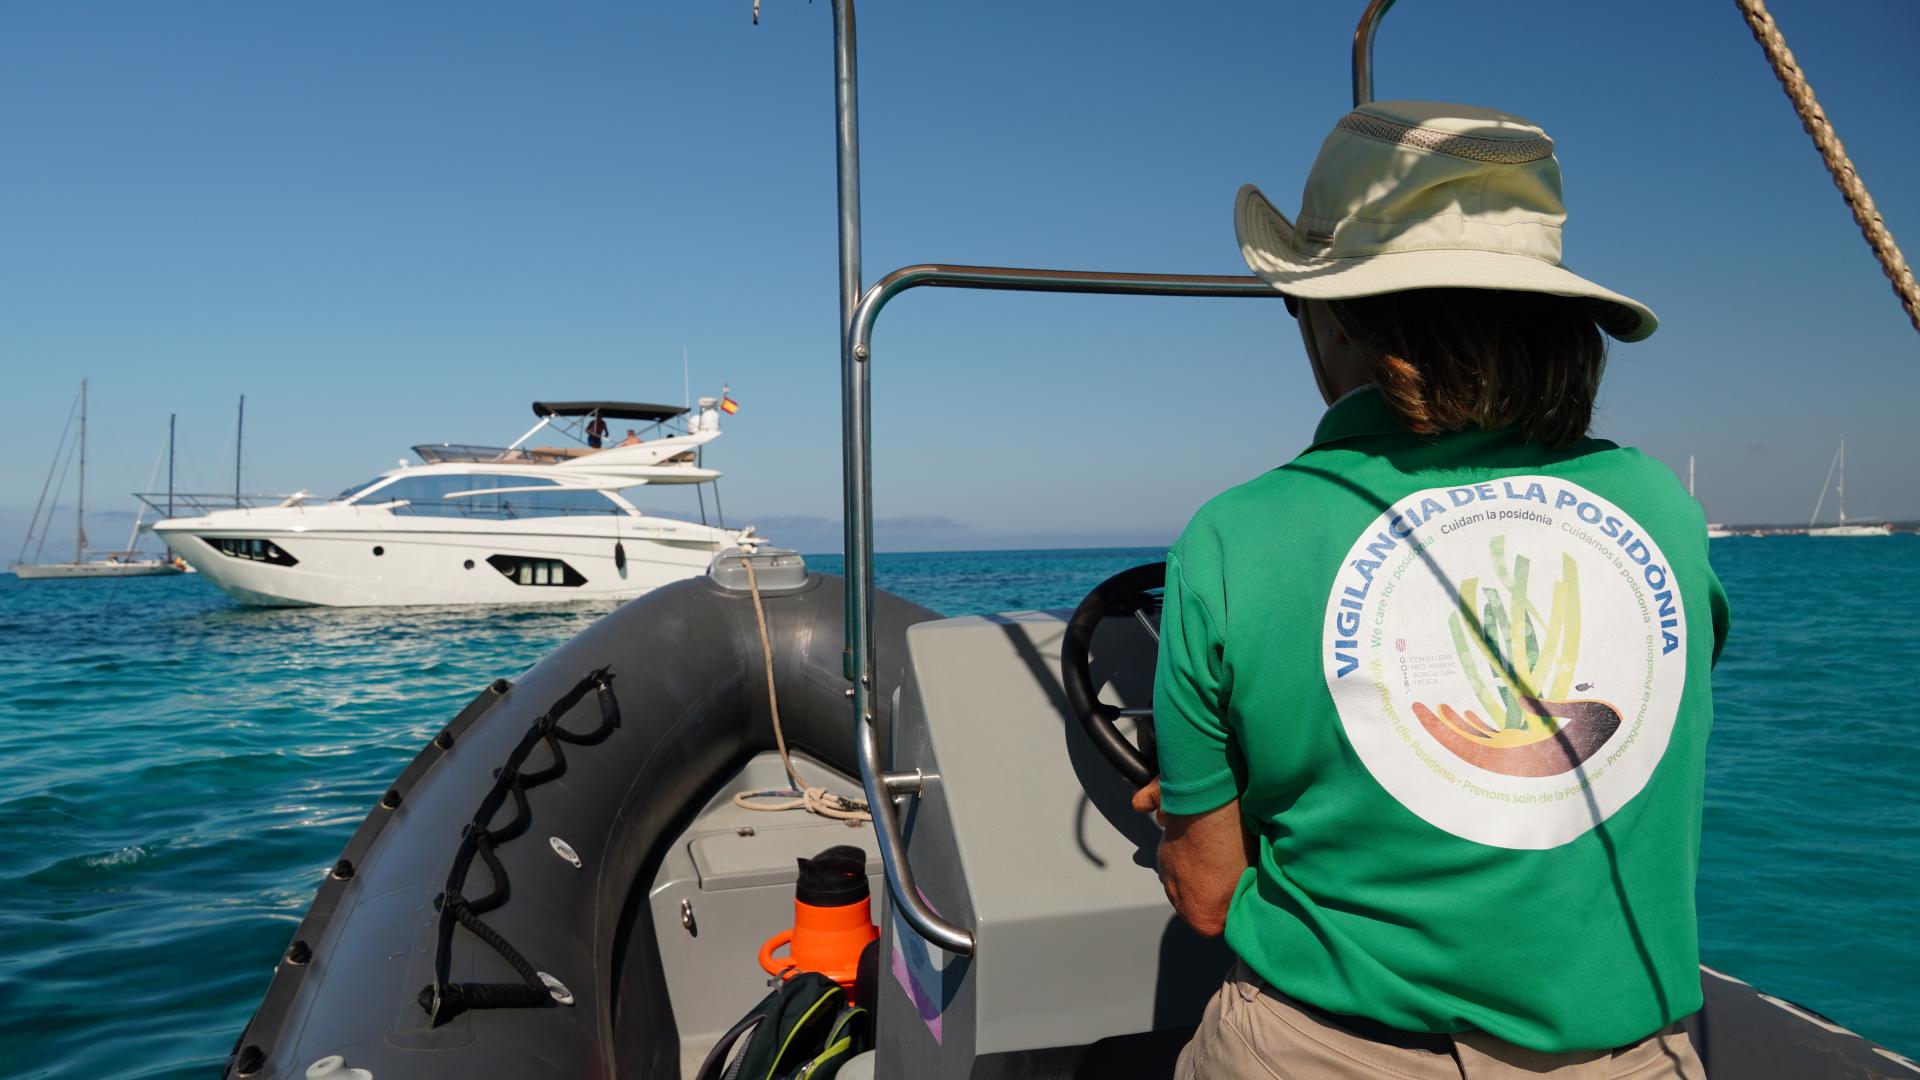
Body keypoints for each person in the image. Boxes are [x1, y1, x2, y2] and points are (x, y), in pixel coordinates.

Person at [1138, 101, 1727, 1079]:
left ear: (1334, 311)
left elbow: (1206, 897)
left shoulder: (1234, 537)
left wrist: (1182, 822)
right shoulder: (1661, 508)